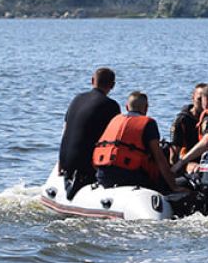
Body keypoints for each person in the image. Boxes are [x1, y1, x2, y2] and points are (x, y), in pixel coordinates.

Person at [93, 92, 184, 193]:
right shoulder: (148, 123)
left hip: (102, 175)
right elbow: (159, 158)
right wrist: (174, 186)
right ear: (146, 108)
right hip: (129, 178)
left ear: (127, 107)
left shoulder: (115, 120)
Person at [58, 67, 120, 198]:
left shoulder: (77, 99)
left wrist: (60, 163)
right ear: (113, 85)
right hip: (85, 168)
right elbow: (115, 140)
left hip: (66, 164)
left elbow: (65, 132)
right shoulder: (111, 106)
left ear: (92, 81)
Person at [169, 83, 206, 164]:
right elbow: (173, 157)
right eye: (199, 99)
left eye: (206, 100)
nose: (203, 104)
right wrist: (185, 166)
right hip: (187, 163)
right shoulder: (182, 121)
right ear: (193, 98)